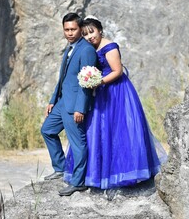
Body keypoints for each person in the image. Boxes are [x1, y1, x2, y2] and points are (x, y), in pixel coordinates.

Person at [64, 16, 167, 190]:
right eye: (85, 34)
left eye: (92, 32)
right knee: (98, 131)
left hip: (116, 91)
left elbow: (117, 71)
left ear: (100, 30)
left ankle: (124, 172)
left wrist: (98, 82)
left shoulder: (110, 47)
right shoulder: (91, 48)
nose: (89, 37)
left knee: (118, 129)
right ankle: (96, 173)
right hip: (100, 91)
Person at [41, 13, 97, 196]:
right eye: (67, 29)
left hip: (75, 105)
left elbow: (86, 82)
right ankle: (60, 168)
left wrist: (81, 108)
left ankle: (78, 182)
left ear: (80, 29)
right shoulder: (70, 48)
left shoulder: (86, 50)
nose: (70, 33)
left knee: (77, 143)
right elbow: (63, 78)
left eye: (73, 29)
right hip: (62, 101)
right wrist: (52, 100)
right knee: (47, 130)